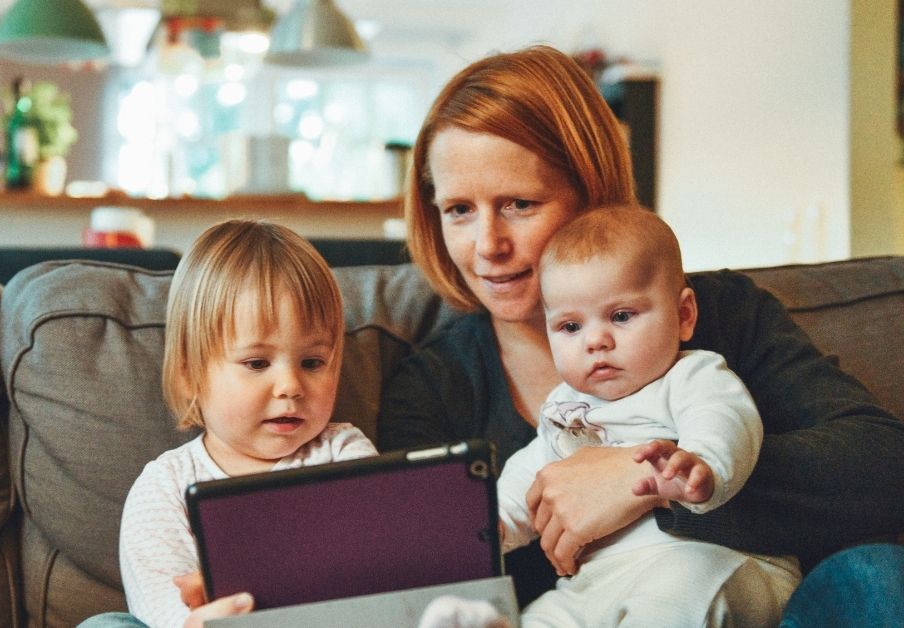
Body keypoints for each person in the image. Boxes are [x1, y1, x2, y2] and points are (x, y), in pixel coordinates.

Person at [375, 44, 904, 617]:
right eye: (458, 210)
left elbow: (883, 467)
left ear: (591, 192)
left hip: (744, 600)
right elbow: (426, 568)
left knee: (876, 576)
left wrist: (641, 481)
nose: (487, 246)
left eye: (520, 204)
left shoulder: (720, 314)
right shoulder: (432, 387)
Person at [493, 203, 798, 626]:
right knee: (546, 615)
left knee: (675, 597)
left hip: (709, 560)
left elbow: (724, 418)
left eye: (621, 316)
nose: (596, 341)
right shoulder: (562, 406)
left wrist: (701, 464)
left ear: (684, 315)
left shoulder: (691, 374)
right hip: (597, 581)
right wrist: (494, 525)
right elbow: (532, 473)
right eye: (570, 327)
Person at [97, 219, 378, 628]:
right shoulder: (166, 486)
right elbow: (162, 605)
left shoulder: (343, 453)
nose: (290, 386)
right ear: (189, 374)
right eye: (257, 363)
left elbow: (377, 567)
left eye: (312, 362)